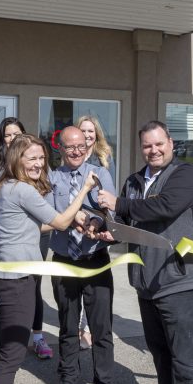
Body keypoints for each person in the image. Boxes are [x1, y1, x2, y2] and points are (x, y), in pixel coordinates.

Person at [0, 134, 98, 384]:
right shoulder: (19, 188)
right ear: (16, 159)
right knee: (10, 355)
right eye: (31, 158)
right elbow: (58, 221)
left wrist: (70, 219)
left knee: (10, 351)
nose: (38, 164)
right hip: (15, 279)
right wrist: (85, 191)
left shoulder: (13, 189)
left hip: (18, 275)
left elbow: (35, 227)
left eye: (41, 159)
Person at [98, 121, 193, 384]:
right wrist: (107, 227)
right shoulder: (135, 181)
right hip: (147, 280)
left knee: (185, 355)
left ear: (171, 143)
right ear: (141, 147)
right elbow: (125, 221)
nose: (154, 150)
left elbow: (165, 207)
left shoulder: (185, 175)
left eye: (159, 144)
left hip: (183, 279)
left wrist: (119, 205)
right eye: (148, 145)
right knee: (160, 352)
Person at [42, 126, 117, 384]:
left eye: (81, 146)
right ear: (59, 147)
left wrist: (96, 221)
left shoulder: (100, 173)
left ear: (88, 146)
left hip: (95, 257)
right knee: (67, 324)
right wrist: (74, 217)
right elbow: (49, 214)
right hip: (64, 259)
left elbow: (109, 210)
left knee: (101, 328)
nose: (76, 151)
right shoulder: (50, 178)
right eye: (69, 146)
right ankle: (68, 382)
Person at [0, 117, 54, 360]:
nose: (12, 138)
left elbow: (51, 211)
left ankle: (37, 337)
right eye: (7, 135)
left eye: (17, 133)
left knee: (32, 289)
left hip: (36, 235)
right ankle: (10, 347)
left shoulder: (37, 169)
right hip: (11, 239)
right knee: (17, 291)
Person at [76, 114, 115, 347]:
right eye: (84, 130)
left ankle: (89, 328)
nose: (88, 135)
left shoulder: (104, 159)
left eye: (91, 131)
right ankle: (80, 328)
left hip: (96, 225)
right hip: (74, 224)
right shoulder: (72, 155)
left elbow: (109, 194)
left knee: (95, 287)